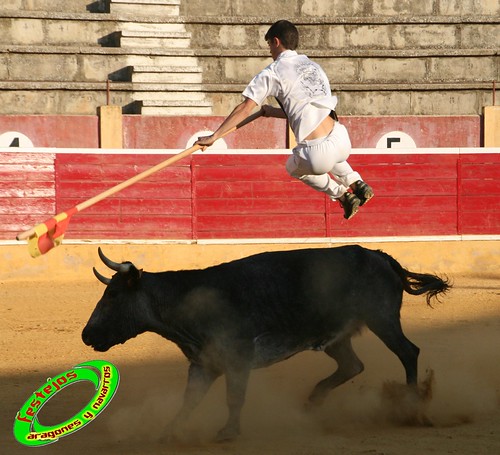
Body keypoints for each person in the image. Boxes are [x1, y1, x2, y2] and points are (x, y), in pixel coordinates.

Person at [195, 20, 373, 219]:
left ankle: (342, 196)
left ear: (276, 42)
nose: (269, 51)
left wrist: (214, 136)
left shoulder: (272, 72)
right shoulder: (313, 67)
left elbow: (245, 108)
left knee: (293, 167)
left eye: (269, 45)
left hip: (316, 154)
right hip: (341, 138)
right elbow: (307, 109)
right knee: (328, 154)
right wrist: (272, 112)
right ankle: (356, 182)